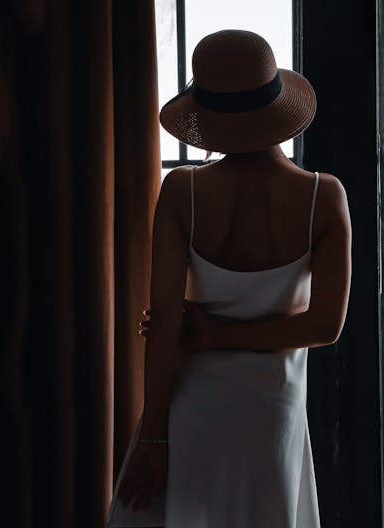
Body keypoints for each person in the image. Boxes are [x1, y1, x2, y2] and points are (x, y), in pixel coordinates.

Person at [106, 29, 351, 528]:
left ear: (208, 117)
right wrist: (228, 336)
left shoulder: (183, 192)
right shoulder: (323, 198)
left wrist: (154, 439)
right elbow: (325, 326)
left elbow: (166, 324)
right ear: (277, 108)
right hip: (270, 413)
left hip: (193, 407)